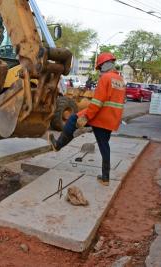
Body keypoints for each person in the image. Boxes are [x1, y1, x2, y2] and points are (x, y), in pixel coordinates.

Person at [48, 52, 125, 186]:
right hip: (112, 118)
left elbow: (97, 103)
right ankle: (105, 178)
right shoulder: (120, 81)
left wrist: (86, 117)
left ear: (105, 65)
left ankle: (57, 145)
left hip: (101, 116)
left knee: (72, 120)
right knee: (104, 145)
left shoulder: (106, 79)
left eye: (100, 68)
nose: (99, 71)